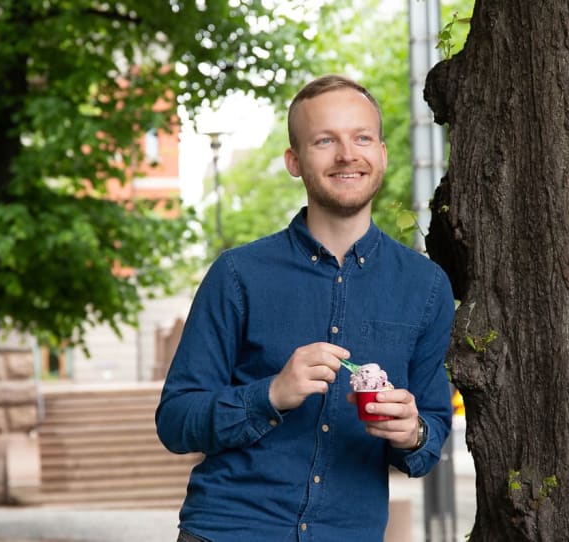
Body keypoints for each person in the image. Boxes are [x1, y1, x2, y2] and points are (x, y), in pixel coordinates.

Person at [155, 74, 456, 541]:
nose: (347, 154)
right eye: (324, 140)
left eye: (362, 138)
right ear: (294, 161)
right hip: (229, 530)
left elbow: (430, 437)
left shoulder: (427, 288)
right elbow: (176, 422)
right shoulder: (237, 275)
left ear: (381, 153)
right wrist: (271, 394)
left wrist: (411, 431)